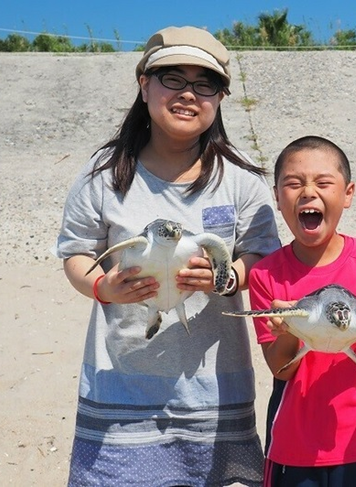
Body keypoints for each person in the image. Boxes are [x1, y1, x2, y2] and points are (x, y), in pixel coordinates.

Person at [54, 26, 280, 486]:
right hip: (120, 384)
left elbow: (263, 255)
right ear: (144, 85)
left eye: (205, 84)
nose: (188, 95)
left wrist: (227, 276)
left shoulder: (239, 180)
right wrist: (101, 286)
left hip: (213, 393)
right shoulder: (104, 173)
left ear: (220, 97)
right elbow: (75, 252)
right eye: (172, 78)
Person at [247, 136, 356, 486]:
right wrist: (286, 330)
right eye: (294, 183)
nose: (308, 192)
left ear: (348, 193)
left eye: (323, 182)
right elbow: (280, 369)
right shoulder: (266, 275)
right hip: (291, 444)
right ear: (277, 195)